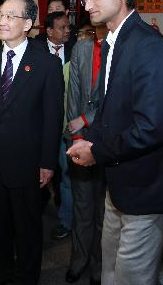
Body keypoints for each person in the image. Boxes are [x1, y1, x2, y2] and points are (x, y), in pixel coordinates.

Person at [67, 0, 163, 285]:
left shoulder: (147, 44)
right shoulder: (111, 42)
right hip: (118, 181)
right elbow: (111, 111)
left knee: (133, 277)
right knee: (110, 272)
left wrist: (97, 152)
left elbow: (151, 127)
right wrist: (90, 140)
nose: (87, 5)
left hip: (146, 186)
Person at [0, 0, 64, 285]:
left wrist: (47, 162)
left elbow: (53, 118)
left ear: (27, 24)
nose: (1, 21)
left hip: (28, 162)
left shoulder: (47, 64)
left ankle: (27, 277)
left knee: (27, 227)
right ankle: (1, 273)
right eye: (0, 15)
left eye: (10, 16)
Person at [64, 23, 109, 285]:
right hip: (78, 138)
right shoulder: (81, 48)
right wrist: (77, 135)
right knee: (82, 206)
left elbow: (117, 98)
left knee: (103, 211)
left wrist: (86, 118)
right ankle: (78, 260)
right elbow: (73, 94)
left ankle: (98, 265)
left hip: (107, 141)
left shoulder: (123, 49)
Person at [35, 11, 74, 239]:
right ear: (49, 31)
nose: (67, 31)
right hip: (40, 127)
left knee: (66, 177)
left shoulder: (77, 51)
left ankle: (66, 221)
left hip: (68, 126)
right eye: (62, 27)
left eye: (69, 27)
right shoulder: (35, 51)